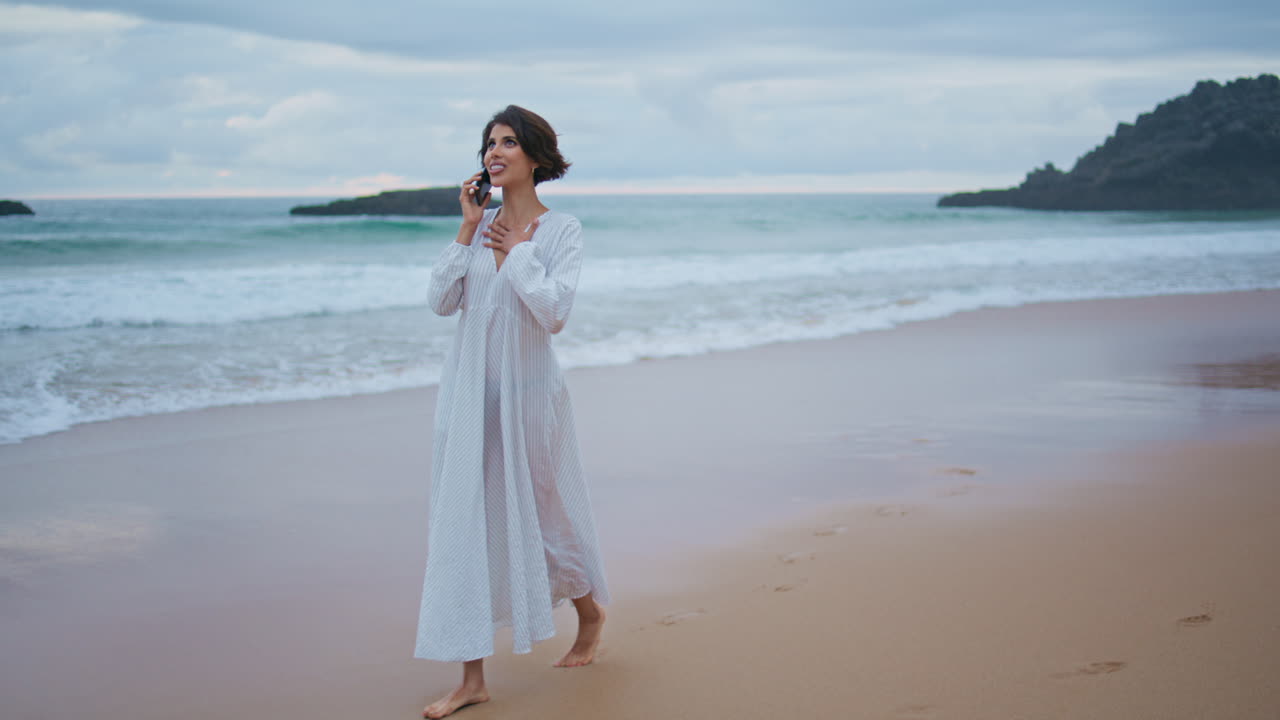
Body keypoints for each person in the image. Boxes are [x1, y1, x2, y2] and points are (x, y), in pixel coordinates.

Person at [415, 105, 610, 719]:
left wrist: (516, 256)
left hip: (530, 400)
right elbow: (441, 302)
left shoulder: (562, 231)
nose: (493, 153)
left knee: (545, 518)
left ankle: (589, 613)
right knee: (463, 527)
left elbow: (553, 314)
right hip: (469, 397)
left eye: (506, 142)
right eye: (488, 144)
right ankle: (471, 679)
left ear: (534, 155)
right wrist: (468, 230)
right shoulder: (481, 225)